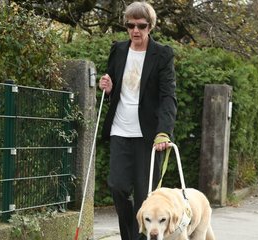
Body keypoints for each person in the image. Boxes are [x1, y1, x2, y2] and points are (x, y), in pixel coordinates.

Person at [98, 2, 177, 239]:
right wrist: (109, 88)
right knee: (117, 186)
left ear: (150, 27)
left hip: (148, 136)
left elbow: (168, 97)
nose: (135, 31)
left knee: (146, 195)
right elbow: (114, 85)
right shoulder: (118, 50)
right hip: (120, 130)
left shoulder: (162, 54)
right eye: (130, 25)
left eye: (141, 26)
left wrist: (164, 131)